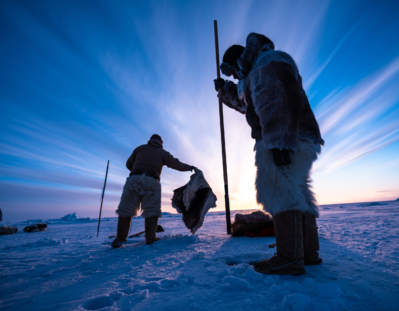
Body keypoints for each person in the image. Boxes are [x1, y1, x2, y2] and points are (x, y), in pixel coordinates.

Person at [214, 33, 324, 275]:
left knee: (278, 191)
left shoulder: (269, 62)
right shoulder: (259, 68)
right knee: (297, 193)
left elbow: (278, 100)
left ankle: (288, 258)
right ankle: (307, 253)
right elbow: (248, 105)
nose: (232, 75)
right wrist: (226, 91)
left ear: (237, 63)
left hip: (284, 137)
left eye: (230, 71)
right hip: (297, 136)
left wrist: (279, 143)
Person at [111, 134, 196, 248]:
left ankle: (120, 238)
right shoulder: (162, 152)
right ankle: (150, 239)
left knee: (126, 209)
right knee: (151, 210)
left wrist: (138, 171)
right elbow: (176, 164)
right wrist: (190, 167)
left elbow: (128, 164)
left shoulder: (140, 148)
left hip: (133, 180)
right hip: (152, 181)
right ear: (160, 143)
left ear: (150, 141)